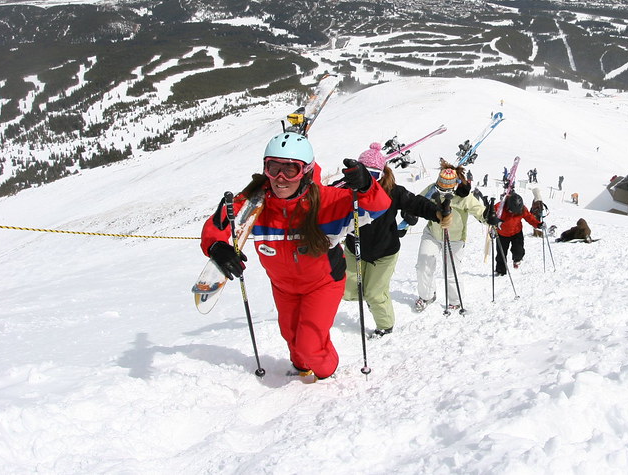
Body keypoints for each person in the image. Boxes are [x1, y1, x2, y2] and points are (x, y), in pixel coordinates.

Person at [200, 133, 391, 383]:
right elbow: (219, 223)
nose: (280, 178)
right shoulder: (253, 203)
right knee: (290, 336)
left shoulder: (325, 202)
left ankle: (325, 374)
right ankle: (302, 368)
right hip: (283, 286)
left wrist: (366, 185)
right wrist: (216, 246)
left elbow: (377, 207)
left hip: (322, 284)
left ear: (306, 172)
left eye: (290, 170)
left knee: (310, 343)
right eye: (274, 168)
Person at [342, 143, 450, 338]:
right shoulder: (348, 190)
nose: (368, 181)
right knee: (347, 290)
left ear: (381, 175)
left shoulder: (392, 191)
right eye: (364, 174)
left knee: (375, 294)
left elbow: (415, 203)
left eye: (373, 175)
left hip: (383, 253)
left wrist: (437, 212)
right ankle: (371, 296)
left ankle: (385, 325)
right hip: (354, 249)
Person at [415, 163, 495, 311]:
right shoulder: (432, 188)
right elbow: (417, 202)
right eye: (440, 187)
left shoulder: (463, 197)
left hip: (455, 238)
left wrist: (488, 217)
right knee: (423, 265)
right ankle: (426, 296)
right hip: (432, 233)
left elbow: (479, 211)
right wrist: (410, 213)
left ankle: (455, 300)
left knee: (451, 271)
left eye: (446, 188)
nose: (442, 190)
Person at [492, 192, 542, 275]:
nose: (514, 213)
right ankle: (500, 271)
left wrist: (538, 224)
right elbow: (489, 214)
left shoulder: (522, 208)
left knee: (519, 250)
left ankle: (517, 259)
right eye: (512, 211)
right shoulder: (499, 207)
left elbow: (529, 217)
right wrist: (492, 220)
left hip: (516, 232)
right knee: (501, 254)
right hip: (502, 234)